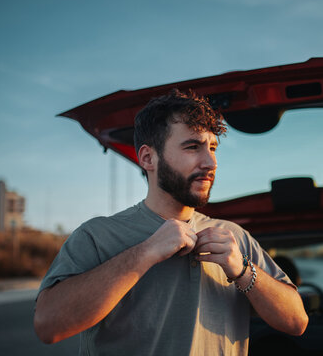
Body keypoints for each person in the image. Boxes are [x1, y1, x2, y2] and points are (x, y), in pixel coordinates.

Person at [34, 89, 308, 355]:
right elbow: (48, 326)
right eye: (192, 147)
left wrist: (244, 270)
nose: (210, 162)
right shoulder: (98, 235)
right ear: (147, 158)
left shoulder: (234, 236)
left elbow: (297, 322)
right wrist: (146, 252)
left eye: (212, 147)